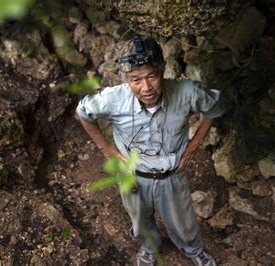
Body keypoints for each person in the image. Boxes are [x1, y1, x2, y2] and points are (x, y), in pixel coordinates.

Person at [76, 35, 225, 266]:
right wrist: (107, 151)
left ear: (162, 70)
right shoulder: (113, 100)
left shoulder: (186, 92)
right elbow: (83, 112)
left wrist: (191, 149)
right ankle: (149, 248)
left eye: (152, 76)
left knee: (183, 221)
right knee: (140, 220)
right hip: (133, 175)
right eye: (136, 79)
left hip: (171, 174)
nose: (146, 88)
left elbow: (213, 108)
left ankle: (193, 250)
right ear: (126, 78)